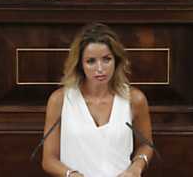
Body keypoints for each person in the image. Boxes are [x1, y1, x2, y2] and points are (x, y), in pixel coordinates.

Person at [42, 23, 154, 177]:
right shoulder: (60, 100)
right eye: (91, 61)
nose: (100, 68)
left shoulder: (135, 99)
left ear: (116, 60)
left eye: (106, 59)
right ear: (80, 64)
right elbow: (48, 160)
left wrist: (135, 168)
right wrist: (71, 174)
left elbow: (146, 145)